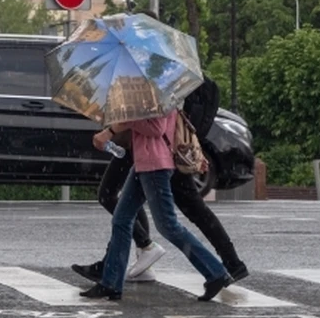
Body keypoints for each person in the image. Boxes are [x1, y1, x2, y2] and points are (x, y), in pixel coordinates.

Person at [80, 110, 233, 301]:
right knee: (121, 219)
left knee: (168, 226)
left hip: (156, 166)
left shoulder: (161, 89)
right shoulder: (147, 93)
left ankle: (216, 273)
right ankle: (110, 283)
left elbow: (156, 128)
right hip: (143, 163)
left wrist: (122, 125)